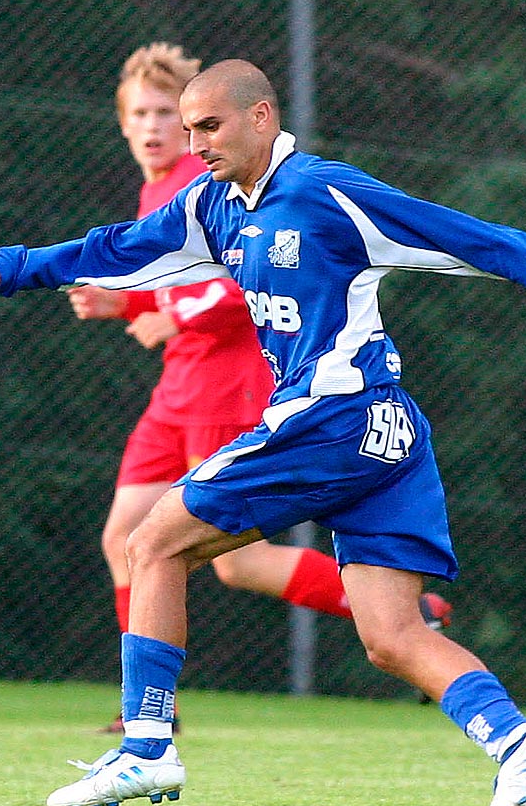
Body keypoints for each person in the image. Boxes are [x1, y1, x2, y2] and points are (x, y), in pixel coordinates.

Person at [0, 58, 526, 806]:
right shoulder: (211, 206)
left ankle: (145, 748)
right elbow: (118, 250)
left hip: (331, 419)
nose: (194, 143)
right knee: (392, 637)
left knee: (153, 543)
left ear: (262, 117)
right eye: (189, 128)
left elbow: (464, 235)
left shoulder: (327, 190)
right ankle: (518, 741)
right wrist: (11, 267)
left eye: (210, 125)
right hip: (384, 431)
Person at [69, 44, 451, 731]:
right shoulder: (158, 187)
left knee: (238, 564)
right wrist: (123, 303)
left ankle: (412, 615)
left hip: (224, 381)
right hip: (176, 388)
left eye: (169, 113)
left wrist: (153, 312)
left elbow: (237, 284)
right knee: (124, 533)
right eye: (141, 114)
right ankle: (153, 712)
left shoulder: (217, 183)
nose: (157, 128)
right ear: (122, 123)